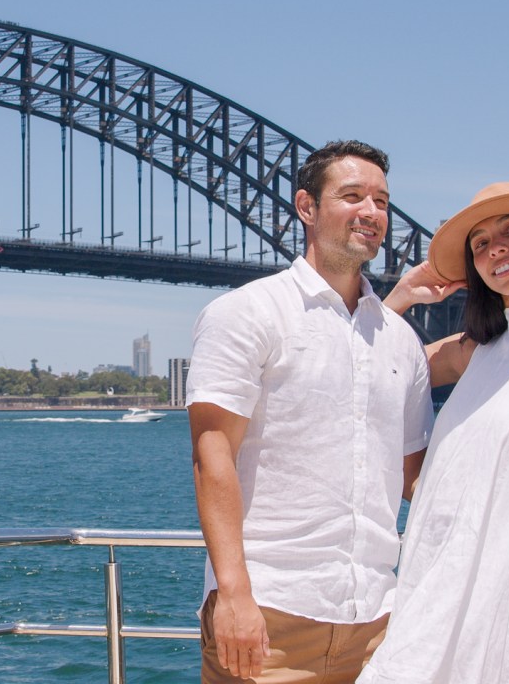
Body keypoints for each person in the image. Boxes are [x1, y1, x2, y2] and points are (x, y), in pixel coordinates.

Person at [187, 139, 435, 683]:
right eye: (352, 196)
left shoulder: (399, 340)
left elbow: (417, 478)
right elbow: (213, 456)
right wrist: (233, 595)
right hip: (271, 618)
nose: (371, 212)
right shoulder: (246, 313)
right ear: (306, 207)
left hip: (378, 622)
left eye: (382, 201)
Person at [357, 182, 509, 684]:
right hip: (445, 586)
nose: (495, 247)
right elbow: (366, 372)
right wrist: (402, 297)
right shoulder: (479, 349)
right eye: (479, 243)